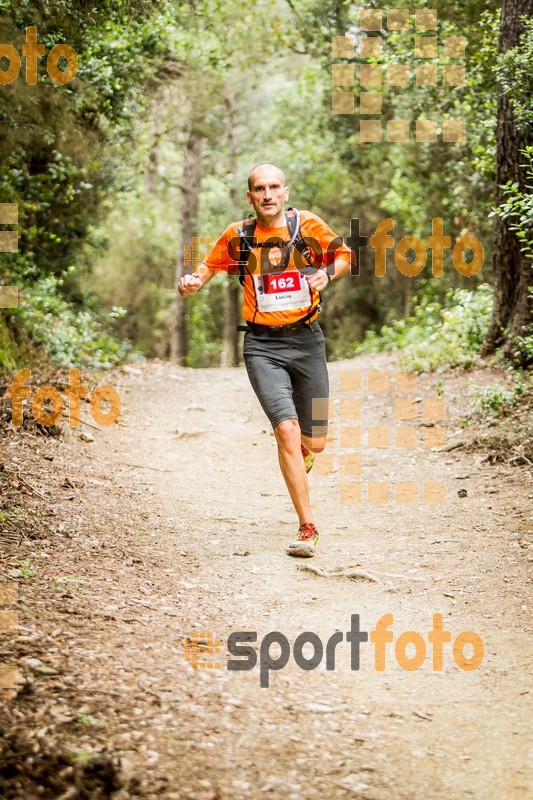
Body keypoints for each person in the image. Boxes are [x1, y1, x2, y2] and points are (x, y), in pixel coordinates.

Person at [178, 163, 353, 557]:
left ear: (286, 192)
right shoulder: (238, 236)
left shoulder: (306, 225)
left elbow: (345, 255)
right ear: (250, 196)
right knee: (286, 431)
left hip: (308, 340)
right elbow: (208, 266)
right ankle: (308, 527)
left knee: (316, 442)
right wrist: (192, 282)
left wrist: (327, 273)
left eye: (275, 187)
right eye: (260, 189)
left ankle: (307, 454)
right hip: (262, 346)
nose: (268, 195)